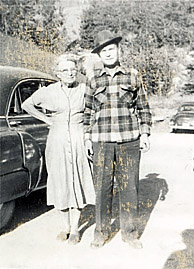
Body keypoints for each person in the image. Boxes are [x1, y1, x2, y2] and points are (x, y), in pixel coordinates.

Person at [84, 30, 152, 249]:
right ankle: (101, 233)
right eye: (104, 51)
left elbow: (143, 107)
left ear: (118, 49)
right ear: (99, 55)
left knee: (129, 187)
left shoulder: (132, 75)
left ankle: (130, 234)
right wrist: (87, 137)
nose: (108, 54)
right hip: (101, 141)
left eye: (111, 49)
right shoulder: (93, 79)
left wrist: (145, 133)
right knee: (102, 188)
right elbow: (87, 111)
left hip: (129, 141)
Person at [22, 54, 95, 244]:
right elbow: (27, 104)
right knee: (60, 181)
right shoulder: (49, 91)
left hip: (79, 137)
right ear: (57, 74)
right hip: (57, 139)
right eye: (65, 70)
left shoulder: (84, 90)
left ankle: (76, 229)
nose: (70, 73)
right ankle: (65, 227)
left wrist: (89, 135)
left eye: (73, 69)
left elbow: (95, 110)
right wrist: (47, 119)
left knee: (76, 181)